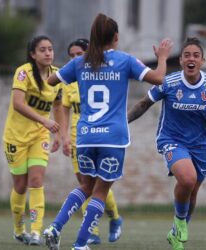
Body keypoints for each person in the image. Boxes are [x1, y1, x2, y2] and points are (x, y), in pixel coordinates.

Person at [43, 13, 173, 250]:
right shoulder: (125, 61)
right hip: (113, 138)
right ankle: (80, 244)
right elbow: (159, 78)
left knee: (85, 187)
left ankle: (54, 227)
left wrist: (74, 67)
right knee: (100, 191)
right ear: (115, 37)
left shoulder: (80, 62)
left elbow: (51, 80)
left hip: (85, 136)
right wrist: (162, 57)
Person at [127, 37, 206, 250]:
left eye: (196, 55)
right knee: (187, 179)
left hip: (201, 145)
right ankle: (179, 222)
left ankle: (176, 234)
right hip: (172, 139)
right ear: (181, 61)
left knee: (193, 191)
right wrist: (123, 122)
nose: (191, 59)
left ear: (202, 61)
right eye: (187, 55)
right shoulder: (168, 82)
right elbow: (144, 103)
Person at [57, 38, 123, 245]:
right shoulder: (70, 83)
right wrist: (65, 137)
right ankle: (92, 230)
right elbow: (63, 111)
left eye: (79, 54)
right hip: (80, 140)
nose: (75, 59)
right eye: (72, 56)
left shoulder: (100, 76)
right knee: (86, 185)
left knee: (96, 187)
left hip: (103, 138)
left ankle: (113, 218)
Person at [3, 35, 60, 246]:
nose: (48, 53)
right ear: (33, 54)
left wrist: (60, 135)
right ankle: (19, 230)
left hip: (39, 136)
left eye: (50, 49)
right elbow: (18, 104)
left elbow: (58, 105)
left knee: (36, 181)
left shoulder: (57, 75)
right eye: (43, 49)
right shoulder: (23, 72)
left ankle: (36, 231)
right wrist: (44, 121)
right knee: (20, 185)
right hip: (15, 136)